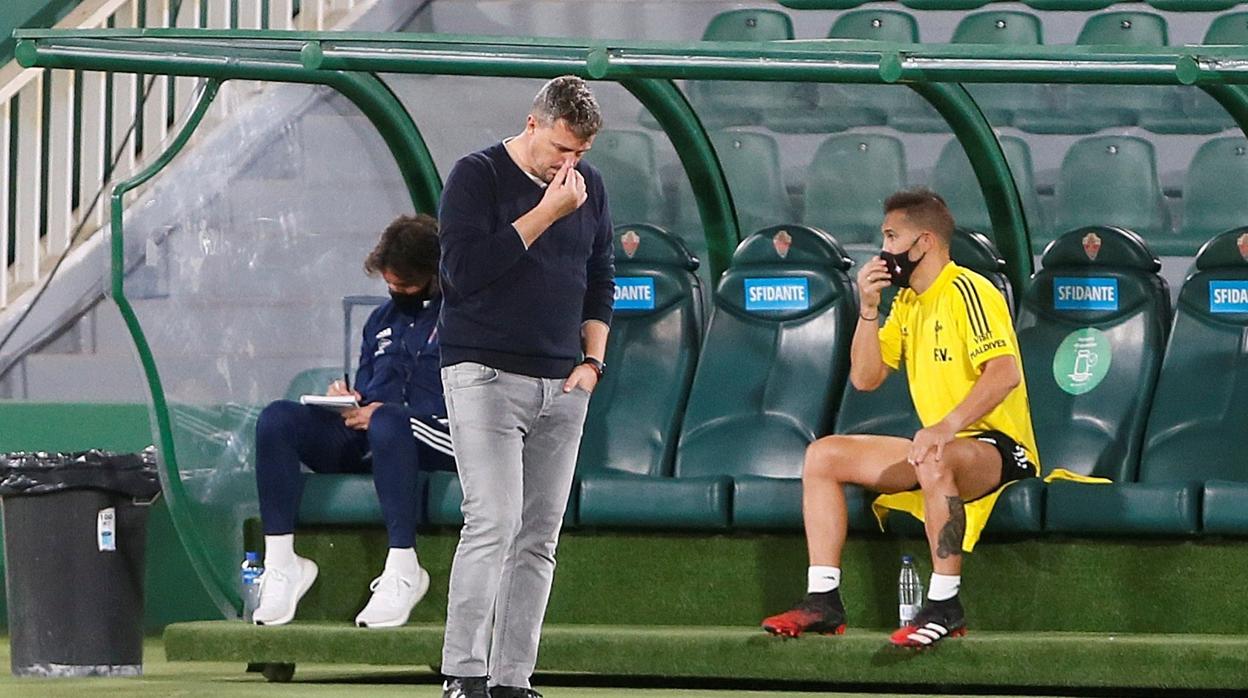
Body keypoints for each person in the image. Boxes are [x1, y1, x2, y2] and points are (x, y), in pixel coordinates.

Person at [761, 190, 1039, 647]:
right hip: (937, 447)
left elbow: (1005, 374)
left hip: (998, 448)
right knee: (824, 456)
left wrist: (946, 426)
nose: (884, 248)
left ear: (924, 241)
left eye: (891, 236)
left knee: (935, 459)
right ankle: (823, 599)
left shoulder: (969, 289)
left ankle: (945, 603)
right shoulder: (907, 303)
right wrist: (868, 309)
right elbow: (867, 378)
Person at [436, 76, 614, 698]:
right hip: (483, 371)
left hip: (562, 382)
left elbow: (600, 277)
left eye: (581, 155)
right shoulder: (476, 175)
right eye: (560, 150)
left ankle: (512, 679)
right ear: (533, 124)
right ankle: (462, 673)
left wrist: (592, 364)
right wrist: (544, 214)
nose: (569, 166)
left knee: (538, 537)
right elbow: (462, 274)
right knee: (493, 520)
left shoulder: (589, 190)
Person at [251, 213, 454, 628]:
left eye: (406, 286)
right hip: (375, 434)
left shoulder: (463, 318)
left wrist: (388, 413)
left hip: (437, 434)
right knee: (276, 419)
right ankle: (282, 563)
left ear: (434, 275)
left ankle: (404, 567)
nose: (396, 293)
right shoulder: (380, 320)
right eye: (390, 285)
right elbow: (368, 389)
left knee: (388, 423)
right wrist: (347, 399)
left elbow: (469, 401)